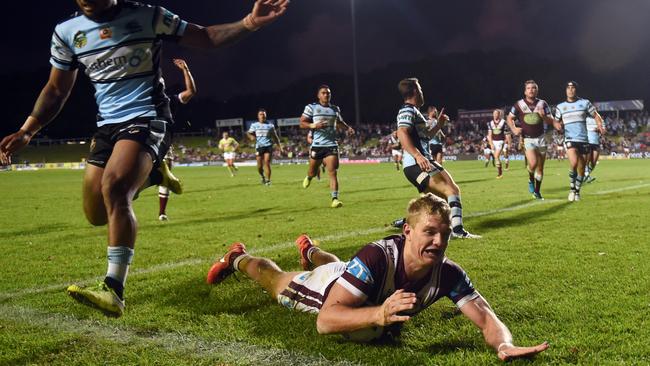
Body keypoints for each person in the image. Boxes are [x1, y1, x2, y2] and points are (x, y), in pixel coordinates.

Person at [0, 0, 289, 317]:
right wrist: (28, 130)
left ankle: (114, 288)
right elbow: (56, 90)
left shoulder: (146, 15)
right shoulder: (67, 32)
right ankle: (154, 175)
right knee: (97, 213)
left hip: (148, 117)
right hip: (107, 126)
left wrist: (249, 22)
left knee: (115, 188)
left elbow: (204, 37)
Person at [206, 193, 548, 361]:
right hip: (328, 289)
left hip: (352, 277)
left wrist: (504, 344)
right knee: (276, 281)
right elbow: (325, 321)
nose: (439, 241)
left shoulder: (447, 273)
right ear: (407, 232)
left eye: (444, 233)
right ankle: (238, 258)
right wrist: (380, 314)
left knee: (338, 266)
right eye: (429, 232)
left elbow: (487, 318)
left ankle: (311, 250)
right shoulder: (378, 255)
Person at [395, 78, 479, 238]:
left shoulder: (415, 112)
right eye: (420, 89)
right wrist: (418, 156)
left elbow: (425, 136)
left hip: (421, 161)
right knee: (449, 191)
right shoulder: (407, 110)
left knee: (441, 197)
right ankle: (458, 231)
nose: (422, 92)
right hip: (416, 163)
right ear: (415, 91)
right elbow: (402, 133)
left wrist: (439, 124)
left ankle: (408, 220)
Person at [300, 85, 355, 208]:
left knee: (332, 172)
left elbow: (339, 122)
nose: (326, 95)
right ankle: (309, 177)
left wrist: (348, 128)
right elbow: (302, 123)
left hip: (331, 144)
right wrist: (314, 126)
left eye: (328, 93)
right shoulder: (311, 107)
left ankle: (334, 199)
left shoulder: (335, 109)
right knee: (313, 171)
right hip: (317, 145)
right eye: (323, 93)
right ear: (318, 95)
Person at [506, 80, 561, 200]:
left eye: (534, 88)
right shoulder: (519, 104)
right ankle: (530, 178)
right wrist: (514, 128)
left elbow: (550, 121)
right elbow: (509, 118)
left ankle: (537, 191)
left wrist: (544, 116)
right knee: (533, 163)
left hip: (541, 138)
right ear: (525, 91)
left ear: (537, 90)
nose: (531, 90)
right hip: (528, 139)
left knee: (540, 168)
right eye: (529, 88)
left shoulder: (543, 104)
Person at [158, 58, 197, 222]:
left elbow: (191, 91)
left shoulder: (171, 100)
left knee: (164, 180)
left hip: (164, 144)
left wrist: (185, 69)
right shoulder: (142, 101)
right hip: (144, 142)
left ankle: (162, 212)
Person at [553, 81, 605, 201]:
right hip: (570, 139)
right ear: (565, 90)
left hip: (584, 139)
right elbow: (556, 121)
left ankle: (577, 191)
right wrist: (557, 126)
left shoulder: (585, 103)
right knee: (574, 163)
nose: (570, 90)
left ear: (576, 90)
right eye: (568, 88)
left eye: (573, 88)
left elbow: (596, 115)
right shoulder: (560, 107)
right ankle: (572, 190)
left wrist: (600, 126)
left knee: (582, 168)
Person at [247, 108, 283, 186]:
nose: (262, 116)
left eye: (263, 114)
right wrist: (251, 137)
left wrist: (279, 146)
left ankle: (268, 180)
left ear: (266, 115)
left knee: (267, 162)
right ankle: (262, 176)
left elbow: (275, 137)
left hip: (268, 146)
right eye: (260, 114)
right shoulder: (254, 125)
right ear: (258, 116)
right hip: (259, 146)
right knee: (259, 166)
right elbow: (249, 133)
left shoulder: (270, 126)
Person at [584, 115, 606, 183]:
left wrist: (600, 129)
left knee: (593, 163)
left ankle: (585, 175)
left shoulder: (600, 119)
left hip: (596, 142)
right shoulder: (585, 118)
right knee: (587, 161)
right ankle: (587, 176)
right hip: (587, 141)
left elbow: (604, 131)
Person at [487, 109, 507, 178]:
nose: (495, 115)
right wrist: (491, 144)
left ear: (499, 115)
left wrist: (508, 142)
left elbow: (507, 133)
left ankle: (499, 174)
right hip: (493, 142)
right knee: (496, 158)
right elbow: (489, 135)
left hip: (500, 141)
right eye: (494, 113)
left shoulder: (504, 122)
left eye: (496, 114)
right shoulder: (490, 123)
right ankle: (500, 172)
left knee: (496, 156)